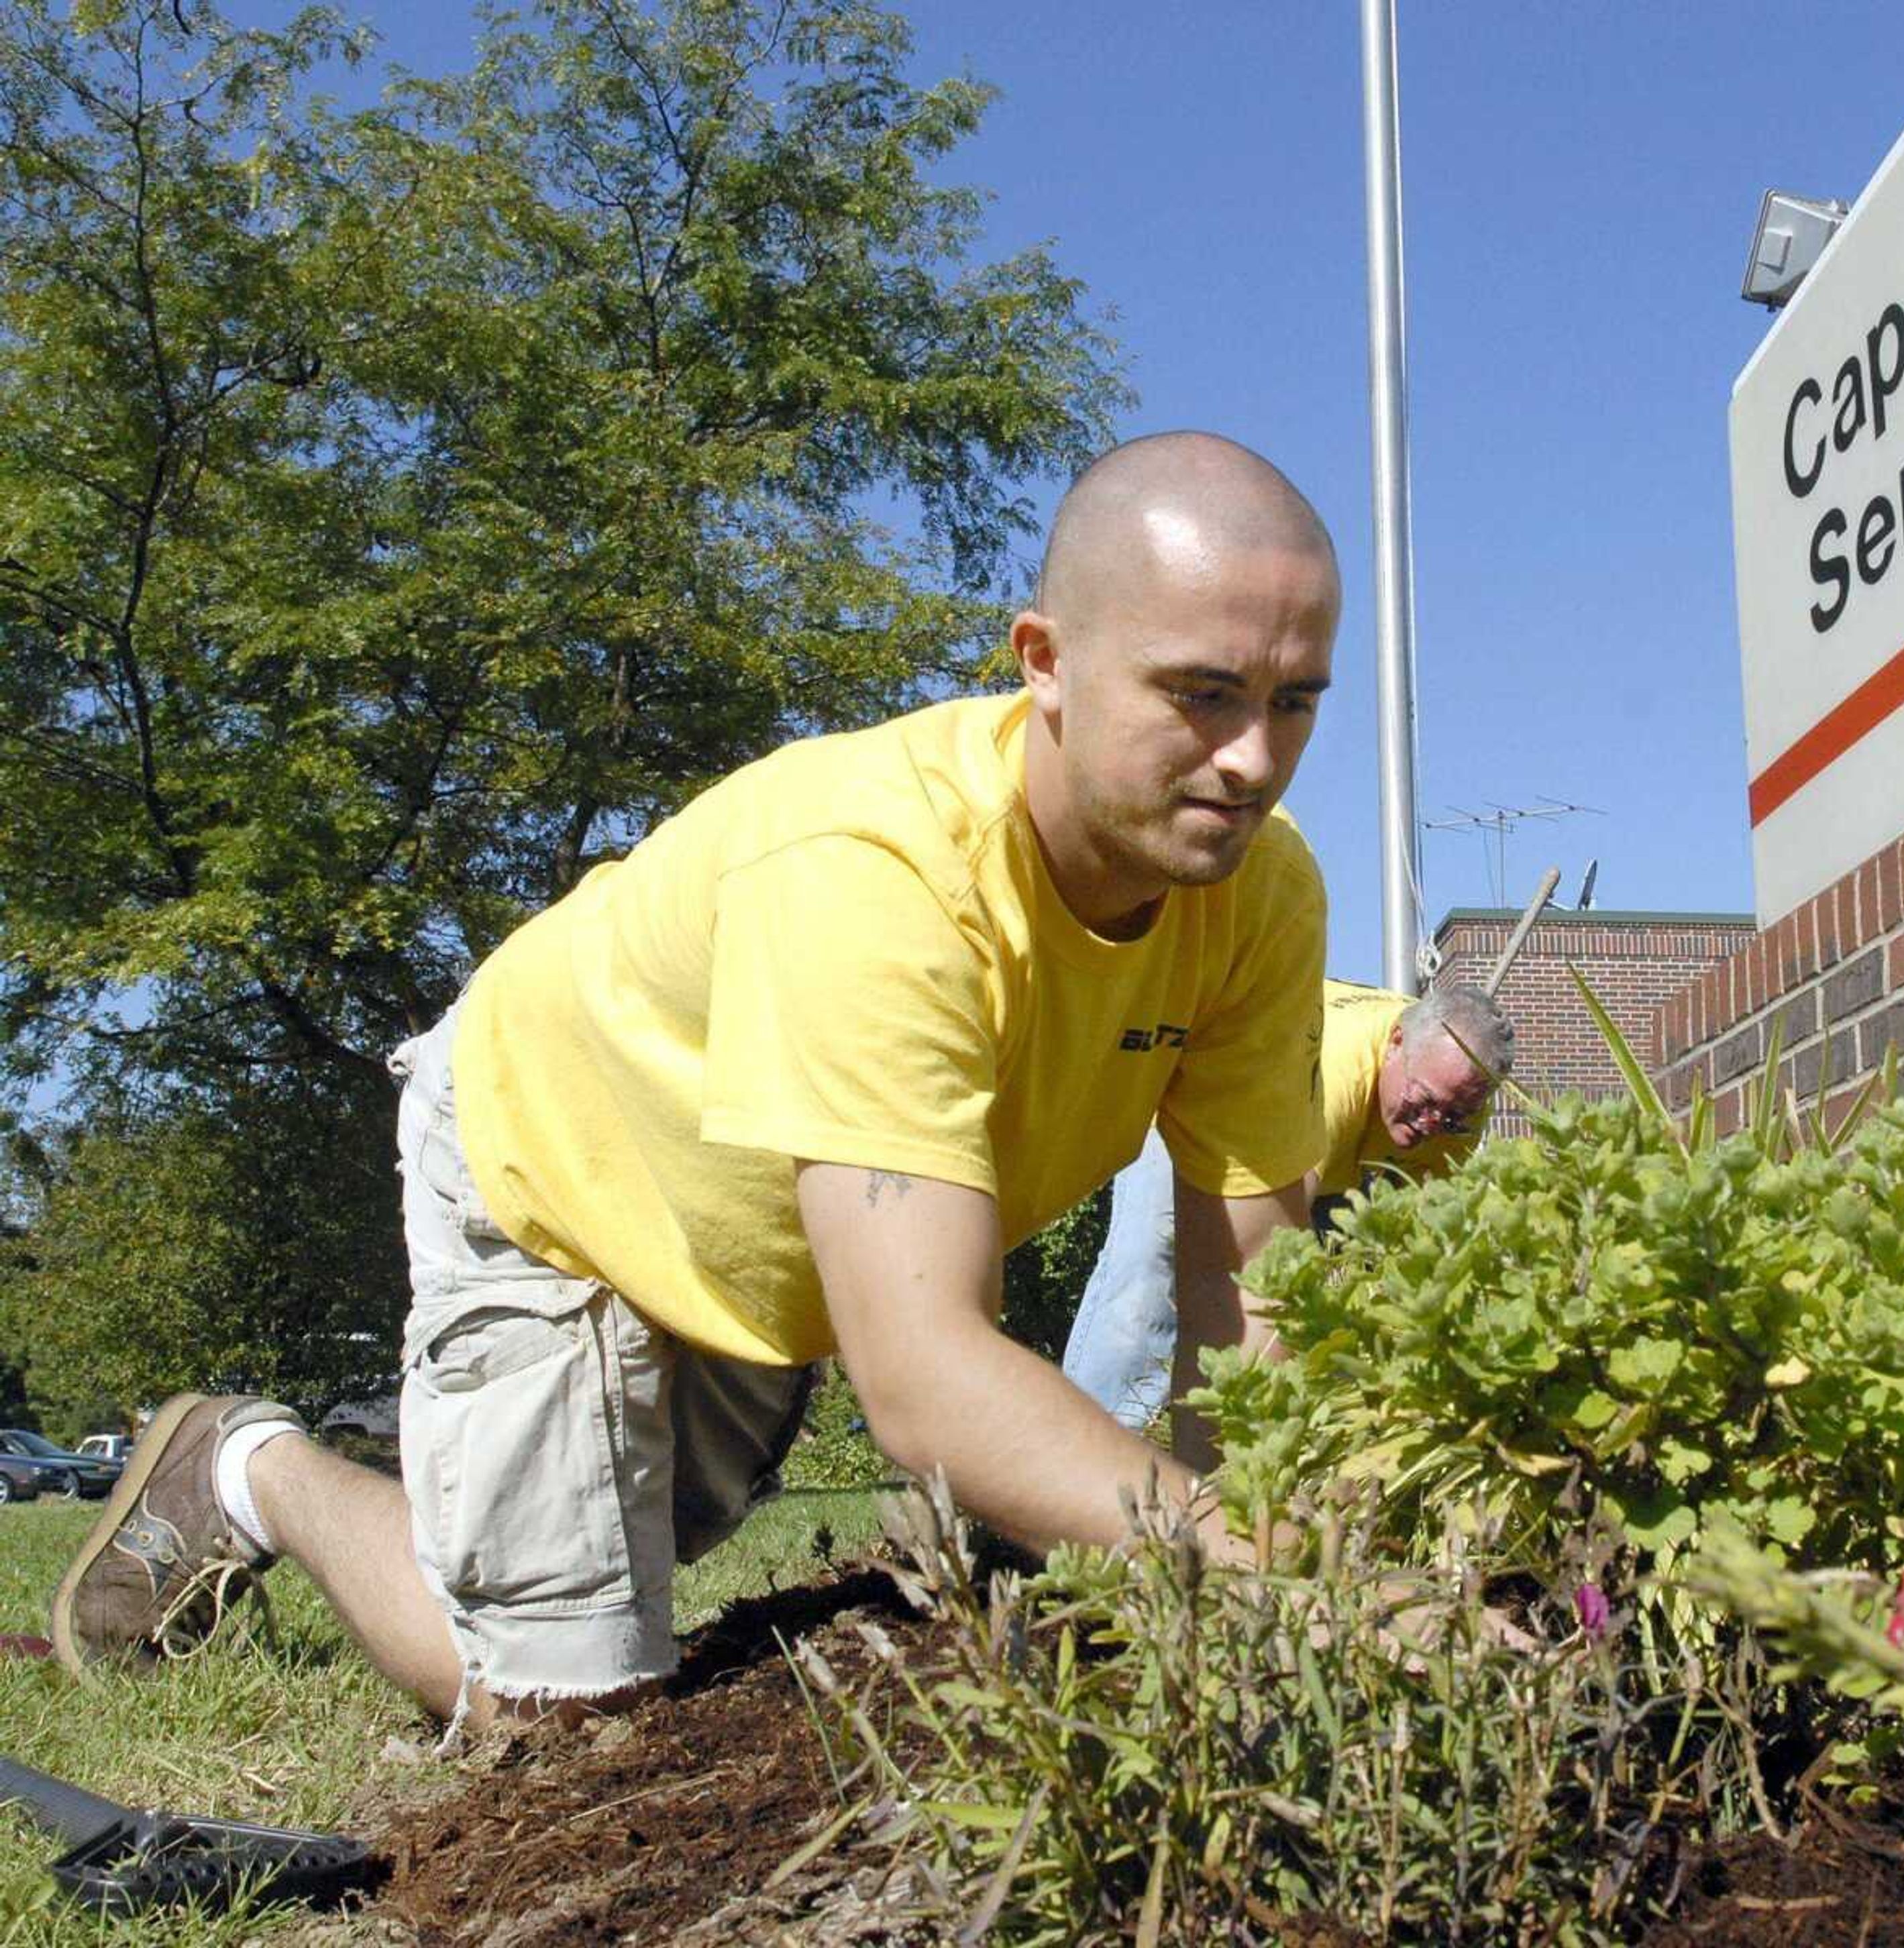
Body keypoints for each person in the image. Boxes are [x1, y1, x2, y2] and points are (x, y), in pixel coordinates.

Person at [54, 432, 1342, 1731]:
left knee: (641, 1553)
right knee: (559, 1714)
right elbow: (924, 1378)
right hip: (558, 1152)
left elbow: (1247, 1283)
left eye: (1295, 702)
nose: (1251, 758)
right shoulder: (884, 872)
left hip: (756, 1227)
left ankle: (501, 1547)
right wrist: (1240, 1568)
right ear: (1047, 663)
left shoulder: (1258, 893)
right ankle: (249, 1469)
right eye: (1202, 694)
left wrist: (1277, 1560)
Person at [1063, 980, 1512, 1429]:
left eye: (1452, 1116)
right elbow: (1273, 1249)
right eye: (1425, 1101)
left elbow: (1419, 1246)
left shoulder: (1461, 1104)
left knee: (1332, 1304)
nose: (1432, 1125)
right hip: (1204, 1103)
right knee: (1153, 1261)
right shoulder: (1336, 1068)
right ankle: (1092, 1441)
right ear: (1396, 1044)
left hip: (1322, 1159)